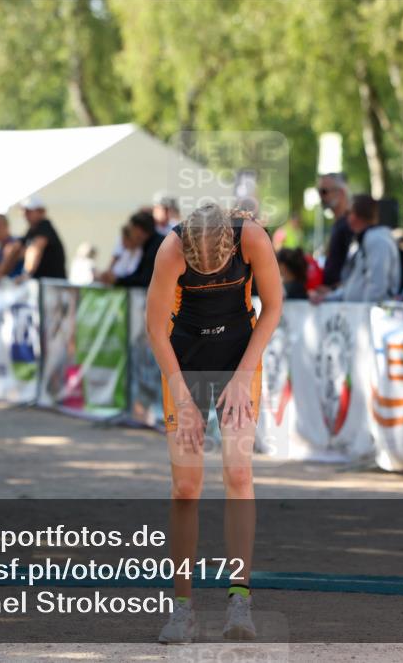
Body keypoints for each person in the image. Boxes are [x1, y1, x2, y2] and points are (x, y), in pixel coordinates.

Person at [146, 204, 281, 643]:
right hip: (184, 359)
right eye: (196, 265)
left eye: (213, 266)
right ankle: (181, 606)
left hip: (238, 356)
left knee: (239, 472)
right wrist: (182, 396)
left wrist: (244, 376)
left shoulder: (252, 237)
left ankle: (239, 598)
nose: (204, 270)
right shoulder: (171, 247)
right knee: (186, 487)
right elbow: (154, 328)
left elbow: (274, 307)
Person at [311, 194, 400, 303]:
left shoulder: (377, 240)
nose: (346, 218)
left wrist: (364, 314)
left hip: (369, 315)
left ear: (356, 215)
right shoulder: (365, 239)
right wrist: (326, 297)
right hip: (359, 312)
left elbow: (377, 286)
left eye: (348, 213)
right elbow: (354, 286)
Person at [99, 210, 164, 288]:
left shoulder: (155, 247)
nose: (131, 234)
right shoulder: (148, 245)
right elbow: (139, 275)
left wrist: (118, 280)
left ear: (139, 230)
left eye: (132, 230)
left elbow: (144, 279)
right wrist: (118, 279)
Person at [12, 196, 66, 281]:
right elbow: (18, 251)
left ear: (41, 211)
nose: (25, 214)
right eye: (24, 210)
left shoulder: (44, 228)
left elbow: (35, 250)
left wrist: (26, 274)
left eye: (29, 211)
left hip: (51, 287)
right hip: (42, 285)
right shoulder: (31, 230)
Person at [317, 173, 353, 288]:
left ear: (341, 192)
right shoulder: (339, 223)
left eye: (324, 191)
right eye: (319, 191)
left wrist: (334, 289)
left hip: (342, 300)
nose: (321, 197)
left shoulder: (350, 224)